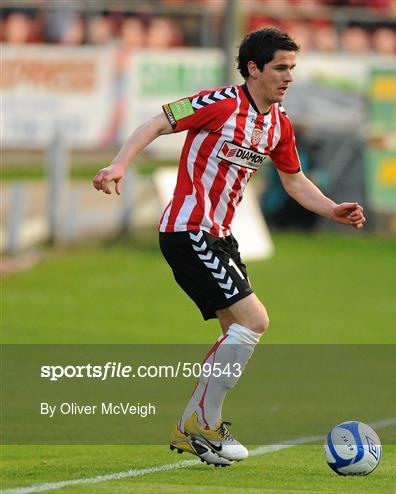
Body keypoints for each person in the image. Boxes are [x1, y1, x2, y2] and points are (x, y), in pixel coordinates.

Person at [92, 27, 365, 467]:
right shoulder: (219, 103)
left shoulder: (279, 125)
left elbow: (293, 180)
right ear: (253, 68)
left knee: (235, 335)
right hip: (188, 229)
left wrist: (332, 209)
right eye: (280, 67)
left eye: (293, 68)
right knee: (254, 321)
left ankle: (188, 431)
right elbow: (158, 121)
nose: (289, 77)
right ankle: (207, 423)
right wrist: (119, 163)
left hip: (220, 236)